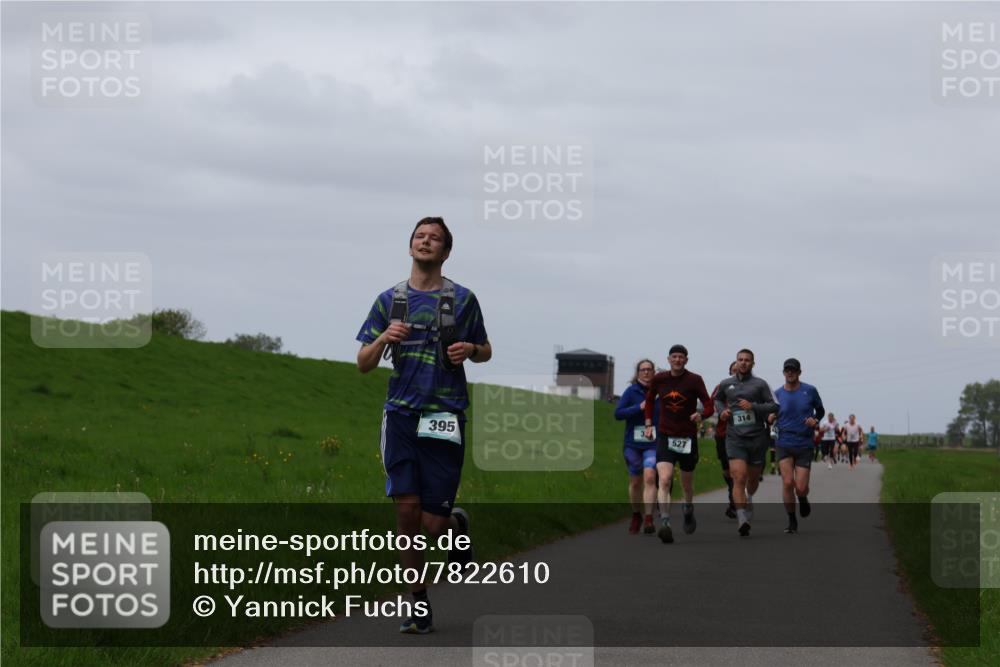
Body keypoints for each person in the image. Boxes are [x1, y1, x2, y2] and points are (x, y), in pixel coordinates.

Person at [356, 217, 491, 635]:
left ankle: (456, 526)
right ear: (410, 247)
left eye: (434, 238)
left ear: (446, 251)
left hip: (443, 414)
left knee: (433, 525)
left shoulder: (463, 299)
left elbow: (485, 351)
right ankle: (417, 603)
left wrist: (470, 348)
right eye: (419, 236)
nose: (425, 241)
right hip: (399, 413)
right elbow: (363, 363)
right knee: (406, 511)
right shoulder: (389, 300)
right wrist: (383, 339)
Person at [643, 344, 714, 543]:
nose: (677, 360)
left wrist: (701, 414)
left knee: (687, 484)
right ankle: (665, 522)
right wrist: (648, 423)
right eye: (674, 357)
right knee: (664, 479)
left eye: (681, 357)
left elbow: (709, 404)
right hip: (665, 435)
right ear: (668, 359)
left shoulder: (694, 380)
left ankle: (688, 508)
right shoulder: (660, 379)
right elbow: (649, 401)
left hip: (687, 437)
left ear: (686, 360)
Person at [714, 348, 779, 537]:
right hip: (735, 437)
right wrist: (722, 412)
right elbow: (718, 400)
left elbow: (775, 406)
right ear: (736, 362)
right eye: (740, 359)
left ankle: (749, 497)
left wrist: (754, 407)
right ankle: (741, 517)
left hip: (758, 438)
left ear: (753, 363)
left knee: (751, 480)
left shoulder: (760, 384)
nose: (743, 362)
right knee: (738, 477)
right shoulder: (726, 384)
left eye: (747, 360)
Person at [769, 358, 825, 534]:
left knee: (800, 487)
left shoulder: (810, 390)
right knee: (787, 482)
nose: (790, 373)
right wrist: (770, 417)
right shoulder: (777, 394)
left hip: (804, 443)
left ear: (800, 372)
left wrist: (814, 420)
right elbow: (770, 413)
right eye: (787, 370)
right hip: (784, 441)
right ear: (784, 372)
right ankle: (791, 520)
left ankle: (802, 498)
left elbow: (820, 411)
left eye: (793, 370)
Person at [615, 359, 660, 534]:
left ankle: (648, 518)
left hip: (653, 443)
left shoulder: (659, 392)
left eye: (649, 369)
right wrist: (638, 407)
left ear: (654, 372)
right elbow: (618, 414)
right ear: (638, 372)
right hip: (632, 444)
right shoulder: (631, 391)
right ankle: (636, 514)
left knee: (649, 476)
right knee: (635, 483)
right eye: (643, 370)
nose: (647, 372)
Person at [711, 362, 739, 519]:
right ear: (729, 372)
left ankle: (736, 500)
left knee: (738, 470)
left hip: (743, 434)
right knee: (727, 468)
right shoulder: (721, 386)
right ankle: (732, 490)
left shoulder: (752, 387)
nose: (736, 373)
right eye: (733, 371)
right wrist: (722, 410)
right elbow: (712, 402)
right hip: (723, 433)